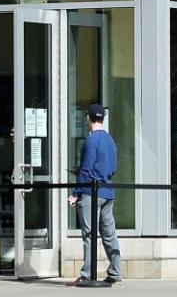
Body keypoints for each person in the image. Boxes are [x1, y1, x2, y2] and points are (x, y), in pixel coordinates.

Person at [67, 103, 121, 285]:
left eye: (86, 118)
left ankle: (87, 274)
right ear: (102, 119)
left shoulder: (91, 141)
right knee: (109, 233)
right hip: (108, 192)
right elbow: (111, 168)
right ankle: (115, 271)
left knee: (89, 235)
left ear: (89, 118)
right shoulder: (110, 140)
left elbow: (86, 172)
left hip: (91, 193)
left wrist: (75, 193)